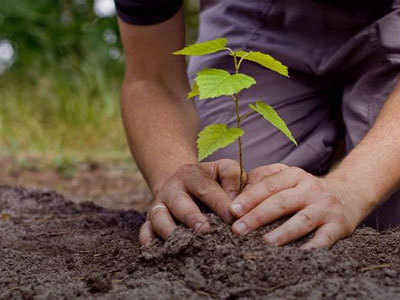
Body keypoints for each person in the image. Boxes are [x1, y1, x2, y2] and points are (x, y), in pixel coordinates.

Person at [114, 0, 400, 248]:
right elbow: (152, 78)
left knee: (388, 209)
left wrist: (351, 187)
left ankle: (351, 130)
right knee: (234, 197)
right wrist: (172, 175)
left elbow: (358, 190)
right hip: (259, 13)